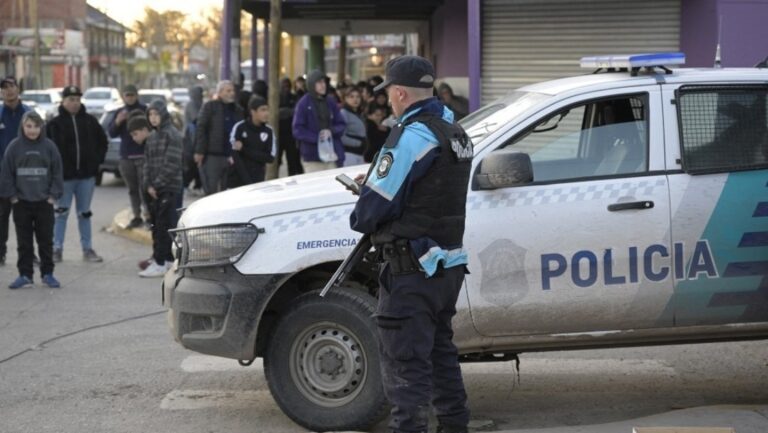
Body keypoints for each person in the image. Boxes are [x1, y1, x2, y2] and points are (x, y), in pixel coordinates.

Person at [349, 55, 473, 433]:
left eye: (389, 93)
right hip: (447, 266)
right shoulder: (456, 133)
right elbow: (431, 193)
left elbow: (366, 215)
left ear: (400, 92)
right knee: (441, 359)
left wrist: (365, 190)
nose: (388, 100)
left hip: (411, 271)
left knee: (406, 371)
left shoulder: (411, 137)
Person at [0, 111, 63, 289]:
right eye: (29, 126)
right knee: (24, 242)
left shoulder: (49, 147)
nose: (32, 130)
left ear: (41, 127)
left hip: (44, 203)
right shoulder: (14, 147)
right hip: (21, 203)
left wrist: (53, 196)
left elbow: (57, 172)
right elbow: (6, 174)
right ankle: (25, 275)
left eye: (36, 126)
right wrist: (12, 197)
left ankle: (48, 274)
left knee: (45, 241)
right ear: (22, 126)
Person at [47, 85, 108, 263]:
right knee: (61, 213)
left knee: (84, 214)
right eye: (70, 99)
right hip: (64, 179)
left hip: (86, 178)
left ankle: (87, 249)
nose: (74, 103)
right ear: (63, 101)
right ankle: (56, 249)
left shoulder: (90, 121)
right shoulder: (54, 125)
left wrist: (95, 163)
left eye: (77, 99)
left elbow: (103, 142)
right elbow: (47, 150)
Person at [138, 100, 183, 277]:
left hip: (169, 188)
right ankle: (162, 260)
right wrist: (148, 184)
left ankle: (162, 261)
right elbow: (147, 163)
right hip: (153, 190)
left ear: (163, 115)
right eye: (150, 115)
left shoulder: (172, 135)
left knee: (166, 226)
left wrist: (156, 184)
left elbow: (171, 164)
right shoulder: (152, 137)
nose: (153, 118)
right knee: (157, 226)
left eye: (156, 114)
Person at [0, 76, 33, 266]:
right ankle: (1, 251)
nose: (8, 91)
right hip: (3, 176)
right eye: (4, 88)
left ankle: (29, 254)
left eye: (11, 87)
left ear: (18, 89)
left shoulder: (28, 114)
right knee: (2, 216)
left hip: (26, 174)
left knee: (27, 217)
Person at [194, 80, 244, 195]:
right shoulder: (210, 107)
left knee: (227, 192)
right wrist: (199, 151)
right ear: (220, 92)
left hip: (232, 156)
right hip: (213, 156)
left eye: (232, 91)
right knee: (211, 191)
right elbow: (201, 129)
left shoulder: (237, 110)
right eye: (228, 91)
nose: (232, 93)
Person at [108, 84, 148, 229]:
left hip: (143, 155)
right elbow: (111, 133)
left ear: (136, 95)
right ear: (123, 96)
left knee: (145, 188)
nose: (130, 98)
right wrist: (119, 121)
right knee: (133, 189)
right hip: (126, 156)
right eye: (127, 95)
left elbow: (153, 128)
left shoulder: (145, 110)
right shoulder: (120, 111)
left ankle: (148, 216)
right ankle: (136, 216)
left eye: (132, 95)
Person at [292, 70, 346, 172]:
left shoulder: (330, 101)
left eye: (324, 82)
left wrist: (331, 131)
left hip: (332, 154)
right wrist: (317, 138)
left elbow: (341, 124)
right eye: (319, 82)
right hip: (312, 156)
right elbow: (297, 129)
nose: (323, 85)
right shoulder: (303, 104)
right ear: (312, 84)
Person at [227, 95, 276, 188]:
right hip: (237, 180)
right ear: (253, 112)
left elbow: (270, 158)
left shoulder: (268, 131)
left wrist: (244, 149)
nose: (266, 113)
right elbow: (235, 154)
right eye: (263, 110)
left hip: (258, 180)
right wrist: (247, 181)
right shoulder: (240, 127)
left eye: (267, 110)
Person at [277, 77, 303, 176]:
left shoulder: (294, 97)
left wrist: (283, 111)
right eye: (284, 86)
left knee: (292, 161)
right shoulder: (276, 97)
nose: (286, 88)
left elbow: (296, 111)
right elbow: (274, 113)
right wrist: (288, 111)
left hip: (291, 134)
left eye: (288, 86)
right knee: (276, 161)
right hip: (278, 133)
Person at [182, 85, 204, 196]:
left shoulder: (200, 104)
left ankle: (197, 185)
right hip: (190, 138)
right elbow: (197, 118)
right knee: (190, 164)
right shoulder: (192, 104)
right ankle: (185, 185)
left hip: (196, 138)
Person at [340, 86, 367, 166]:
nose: (355, 99)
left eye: (358, 96)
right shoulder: (344, 113)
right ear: (345, 98)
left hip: (360, 154)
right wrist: (358, 143)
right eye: (351, 97)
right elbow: (341, 137)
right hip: (349, 154)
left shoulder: (359, 114)